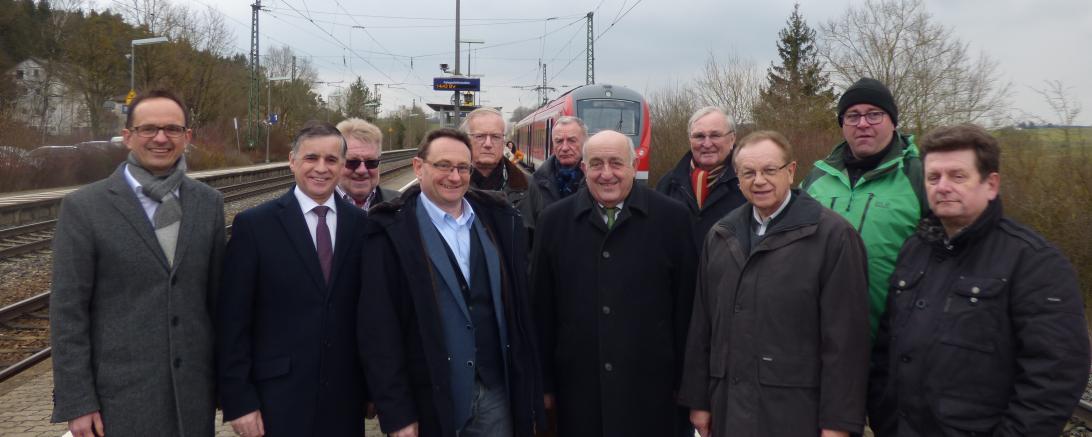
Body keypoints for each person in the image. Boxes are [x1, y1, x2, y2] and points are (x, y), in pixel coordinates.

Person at [867, 124, 1090, 436]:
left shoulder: (1034, 261)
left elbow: (1056, 374)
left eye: (958, 176)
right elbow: (886, 348)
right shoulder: (914, 250)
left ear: (991, 184)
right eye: (933, 177)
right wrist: (885, 419)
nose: (942, 186)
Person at [50, 89, 225, 437]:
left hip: (191, 398)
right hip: (118, 401)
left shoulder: (208, 204)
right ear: (128, 137)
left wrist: (226, 385)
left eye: (173, 129)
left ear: (187, 137)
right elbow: (68, 312)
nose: (161, 138)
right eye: (149, 129)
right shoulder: (85, 208)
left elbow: (216, 302)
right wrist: (78, 401)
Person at [680, 131, 870, 437]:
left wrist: (839, 423)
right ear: (737, 178)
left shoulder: (833, 237)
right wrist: (699, 400)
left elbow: (846, 342)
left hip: (795, 412)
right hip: (729, 406)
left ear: (791, 171)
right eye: (748, 173)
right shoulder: (720, 235)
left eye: (770, 170)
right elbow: (703, 326)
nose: (759, 181)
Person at [359, 128, 545, 437]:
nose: (454, 177)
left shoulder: (500, 221)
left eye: (462, 168)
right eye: (443, 166)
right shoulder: (389, 231)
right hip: (429, 397)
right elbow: (379, 330)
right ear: (419, 167)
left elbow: (521, 316)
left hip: (495, 397)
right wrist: (397, 413)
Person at [532, 130, 697, 436]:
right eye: (596, 164)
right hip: (578, 390)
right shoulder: (553, 222)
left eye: (616, 163)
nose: (606, 174)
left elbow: (688, 308)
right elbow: (541, 310)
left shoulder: (673, 219)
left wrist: (687, 385)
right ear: (584, 168)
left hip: (654, 390)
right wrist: (544, 384)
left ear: (635, 165)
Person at [217, 122, 369, 437]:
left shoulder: (362, 226)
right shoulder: (255, 227)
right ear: (292, 161)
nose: (321, 168)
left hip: (345, 400)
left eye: (331, 160)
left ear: (342, 166)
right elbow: (233, 322)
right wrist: (239, 400)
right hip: (277, 400)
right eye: (311, 158)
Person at [801, 77, 926, 336]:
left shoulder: (919, 175)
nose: (863, 124)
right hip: (821, 338)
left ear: (893, 121)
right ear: (842, 125)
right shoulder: (817, 177)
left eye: (874, 114)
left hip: (895, 341)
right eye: (852, 116)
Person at [656, 106, 747, 246]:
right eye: (699, 136)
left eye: (715, 135)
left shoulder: (748, 181)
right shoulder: (669, 183)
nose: (707, 143)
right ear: (690, 140)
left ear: (732, 138)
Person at [462, 107, 544, 239]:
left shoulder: (528, 186)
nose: (488, 144)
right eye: (480, 136)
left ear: (504, 142)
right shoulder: (452, 186)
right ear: (467, 141)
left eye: (495, 136)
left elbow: (541, 244)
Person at [335, 117, 399, 211]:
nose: (362, 170)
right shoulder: (316, 210)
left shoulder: (400, 206)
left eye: (371, 162)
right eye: (352, 162)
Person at [533, 116, 586, 207]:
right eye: (559, 141)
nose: (564, 148)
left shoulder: (599, 180)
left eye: (572, 140)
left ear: (585, 142)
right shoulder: (535, 182)